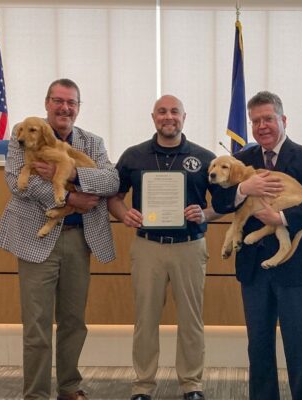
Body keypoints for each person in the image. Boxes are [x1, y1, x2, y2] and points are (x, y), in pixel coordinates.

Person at [0, 79, 119, 400]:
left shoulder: (92, 142)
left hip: (79, 240)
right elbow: (16, 181)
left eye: (71, 103)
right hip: (36, 241)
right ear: (47, 103)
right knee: (36, 326)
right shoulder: (21, 135)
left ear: (78, 107)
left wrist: (73, 174)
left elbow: (110, 179)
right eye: (58, 101)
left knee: (74, 322)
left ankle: (68, 388)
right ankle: (35, 394)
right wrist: (67, 199)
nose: (65, 108)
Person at [211, 91, 302, 400]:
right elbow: (222, 201)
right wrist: (243, 188)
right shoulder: (241, 160)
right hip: (253, 268)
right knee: (259, 346)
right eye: (256, 121)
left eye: (268, 119)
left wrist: (280, 217)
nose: (262, 126)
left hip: (298, 268)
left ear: (283, 120)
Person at [108, 95, 219, 400]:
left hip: (190, 246)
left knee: (191, 320)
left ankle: (192, 385)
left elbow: (224, 203)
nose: (168, 117)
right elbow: (114, 198)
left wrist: (205, 214)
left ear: (185, 116)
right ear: (153, 117)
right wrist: (123, 214)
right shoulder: (133, 156)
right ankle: (143, 386)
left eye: (174, 112)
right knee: (145, 319)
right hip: (148, 247)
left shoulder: (205, 157)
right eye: (162, 112)